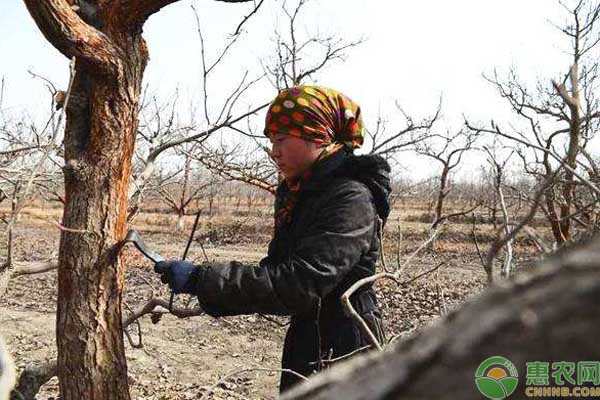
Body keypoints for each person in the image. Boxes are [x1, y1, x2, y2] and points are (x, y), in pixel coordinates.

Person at [154, 85, 391, 393]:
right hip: (309, 339)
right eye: (270, 141)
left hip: (346, 346)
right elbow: (276, 270)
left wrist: (202, 279)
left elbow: (299, 283)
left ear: (317, 135)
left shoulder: (350, 199)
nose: (274, 151)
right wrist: (205, 282)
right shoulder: (300, 193)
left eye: (281, 139)